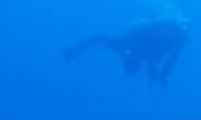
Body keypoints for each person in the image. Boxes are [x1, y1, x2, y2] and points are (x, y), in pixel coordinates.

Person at [62, 15, 190, 88]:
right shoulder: (179, 41)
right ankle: (117, 50)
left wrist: (161, 76)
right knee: (131, 69)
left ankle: (114, 49)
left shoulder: (170, 30)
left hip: (136, 42)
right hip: (140, 46)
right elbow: (170, 62)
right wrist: (162, 77)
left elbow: (167, 63)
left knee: (129, 67)